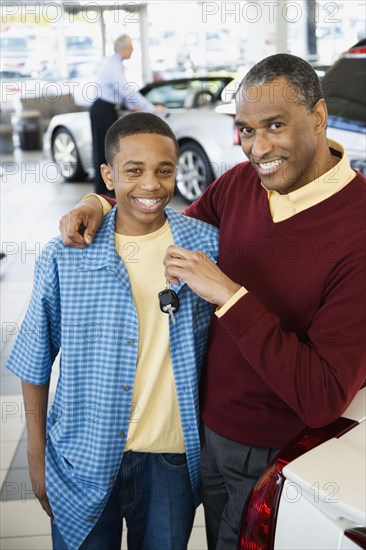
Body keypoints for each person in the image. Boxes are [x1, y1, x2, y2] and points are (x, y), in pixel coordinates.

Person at [59, 54, 366, 549]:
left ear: (318, 116)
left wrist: (229, 294)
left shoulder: (358, 228)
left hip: (278, 456)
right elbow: (164, 229)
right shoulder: (242, 184)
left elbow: (323, 396)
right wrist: (100, 201)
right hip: (206, 435)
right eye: (245, 130)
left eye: (275, 126)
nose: (257, 148)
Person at [6, 112, 219, 549]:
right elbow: (33, 360)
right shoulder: (67, 255)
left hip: (171, 460)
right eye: (134, 170)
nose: (151, 185)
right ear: (108, 174)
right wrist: (36, 456)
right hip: (80, 456)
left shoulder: (206, 247)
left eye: (164, 170)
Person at [90, 34, 164, 195]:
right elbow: (125, 89)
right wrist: (149, 107)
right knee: (105, 150)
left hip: (105, 108)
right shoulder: (114, 64)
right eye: (131, 47)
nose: (133, 50)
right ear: (123, 48)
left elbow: (121, 93)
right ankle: (104, 192)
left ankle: (105, 190)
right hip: (103, 109)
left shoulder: (114, 63)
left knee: (106, 149)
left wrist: (133, 106)